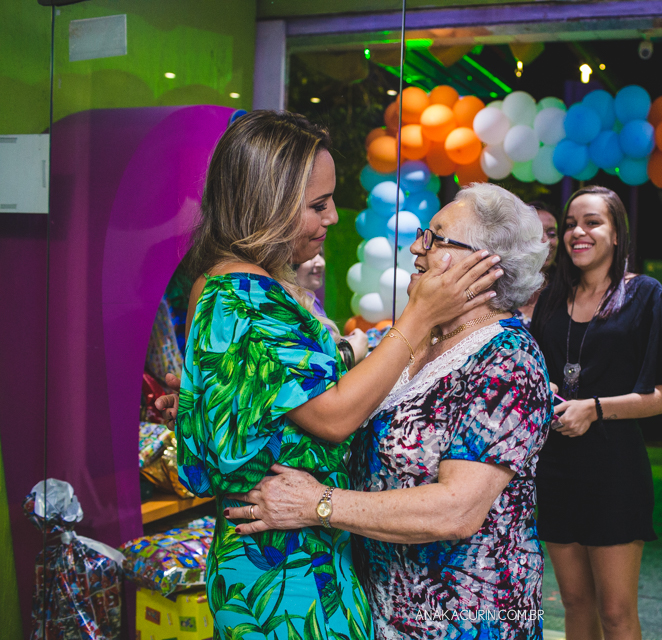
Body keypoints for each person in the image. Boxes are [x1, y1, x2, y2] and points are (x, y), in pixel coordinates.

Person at [175, 111, 501, 639]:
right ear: (269, 205)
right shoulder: (244, 293)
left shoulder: (226, 282)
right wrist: (419, 316)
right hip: (285, 566)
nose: (332, 218)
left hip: (292, 551)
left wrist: (351, 354)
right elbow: (333, 416)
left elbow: (286, 390)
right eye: (318, 205)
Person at [221, 183, 553, 640]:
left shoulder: (508, 359)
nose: (417, 245)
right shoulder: (416, 341)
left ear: (483, 266)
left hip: (464, 620)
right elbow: (327, 394)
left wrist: (317, 504)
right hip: (381, 609)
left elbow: (456, 511)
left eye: (435, 237)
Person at [531, 186, 662, 640]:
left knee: (616, 612)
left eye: (592, 222)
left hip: (614, 469)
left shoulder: (645, 295)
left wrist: (596, 409)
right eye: (570, 225)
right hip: (556, 468)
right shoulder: (550, 298)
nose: (577, 232)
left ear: (617, 234)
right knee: (575, 604)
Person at [294, 251, 368, 368]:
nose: (321, 263)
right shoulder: (291, 307)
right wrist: (356, 348)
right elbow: (319, 368)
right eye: (310, 256)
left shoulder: (311, 299)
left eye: (321, 255)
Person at [516, 201, 559, 328]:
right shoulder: (499, 289)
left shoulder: (567, 291)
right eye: (536, 233)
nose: (546, 241)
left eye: (552, 234)